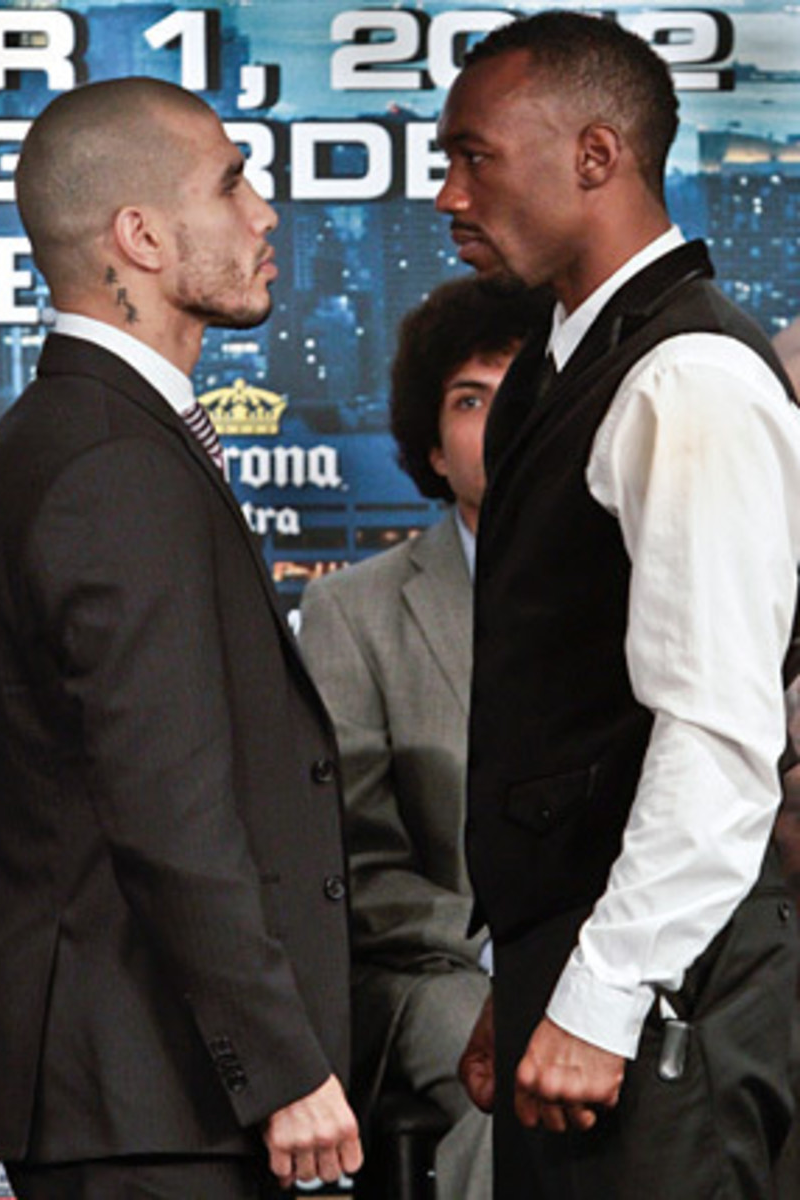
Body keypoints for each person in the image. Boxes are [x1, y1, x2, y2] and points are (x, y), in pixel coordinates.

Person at [0, 78, 362, 1200]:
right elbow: (165, 804)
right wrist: (280, 1063)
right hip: (151, 1101)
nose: (264, 212)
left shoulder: (87, 437)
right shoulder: (111, 464)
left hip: (140, 1093)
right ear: (137, 236)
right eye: (232, 182)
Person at [434, 12, 800, 1198]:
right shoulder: (571, 360)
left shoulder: (685, 377)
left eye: (472, 156)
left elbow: (711, 733)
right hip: (599, 972)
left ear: (595, 156)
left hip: (667, 997)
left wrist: (598, 994)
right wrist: (532, 976)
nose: (446, 195)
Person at [299, 276, 546, 1199]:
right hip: (438, 971)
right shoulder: (353, 612)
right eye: (469, 400)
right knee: (513, 1070)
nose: (499, 421)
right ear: (432, 448)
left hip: (622, 952)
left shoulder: (635, 597)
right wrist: (504, 950)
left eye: (519, 391)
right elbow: (351, 866)